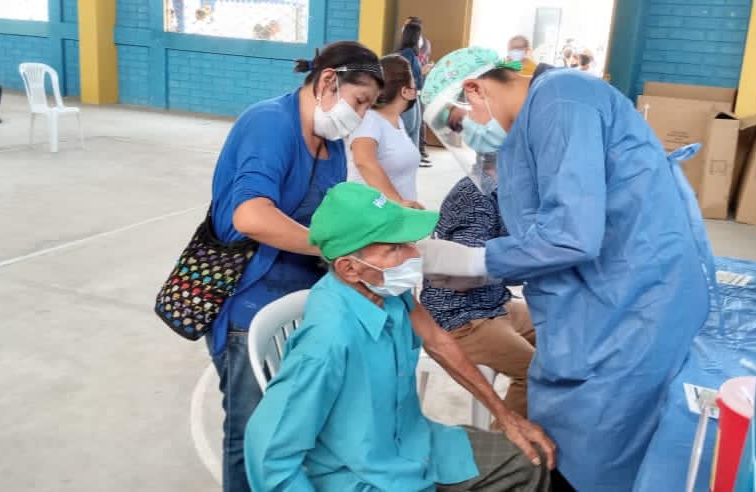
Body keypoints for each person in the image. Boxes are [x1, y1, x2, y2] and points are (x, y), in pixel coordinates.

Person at [418, 47, 714, 491]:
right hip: (586, 301)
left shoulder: (563, 99)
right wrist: (489, 269)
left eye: (460, 123)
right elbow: (538, 235)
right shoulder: (524, 135)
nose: (468, 136)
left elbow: (571, 234)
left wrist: (477, 260)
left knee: (602, 441)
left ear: (474, 89)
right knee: (563, 427)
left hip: (633, 301)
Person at [244, 182, 556, 492]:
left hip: (413, 444)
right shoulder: (325, 341)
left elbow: (438, 341)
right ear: (349, 268)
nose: (413, 254)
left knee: (534, 460)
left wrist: (506, 416)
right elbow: (269, 456)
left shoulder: (387, 291)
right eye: (395, 248)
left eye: (407, 243)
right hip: (360, 476)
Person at [206, 41, 384, 492]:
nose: (360, 116)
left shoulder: (331, 142)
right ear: (328, 81)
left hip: (301, 298)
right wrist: (333, 251)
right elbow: (251, 216)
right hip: (249, 302)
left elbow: (329, 216)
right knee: (253, 433)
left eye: (368, 107)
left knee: (296, 428)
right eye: (359, 101)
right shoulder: (269, 124)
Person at [420, 163, 536, 421]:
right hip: (462, 316)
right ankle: (509, 442)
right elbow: (462, 278)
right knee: (536, 372)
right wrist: (530, 265)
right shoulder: (475, 198)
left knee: (563, 331)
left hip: (495, 303)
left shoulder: (505, 190)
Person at [347, 55, 424, 209]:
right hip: (372, 214)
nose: (416, 88)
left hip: (394, 215)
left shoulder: (397, 121)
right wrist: (397, 202)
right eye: (413, 82)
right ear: (405, 91)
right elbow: (363, 161)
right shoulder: (369, 119)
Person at [397, 22, 428, 165]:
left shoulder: (413, 54)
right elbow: (406, 77)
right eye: (420, 35)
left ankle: (414, 160)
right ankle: (407, 161)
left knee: (416, 128)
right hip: (408, 96)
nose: (422, 39)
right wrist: (421, 72)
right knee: (409, 129)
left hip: (415, 95)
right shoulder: (407, 53)